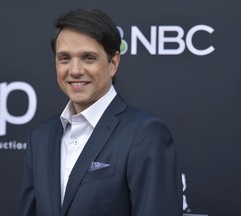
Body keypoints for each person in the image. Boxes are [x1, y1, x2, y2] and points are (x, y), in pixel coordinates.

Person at [19, 8, 182, 216]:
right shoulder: (40, 137)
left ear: (113, 63)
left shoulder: (145, 133)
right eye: (64, 58)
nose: (75, 70)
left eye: (88, 58)